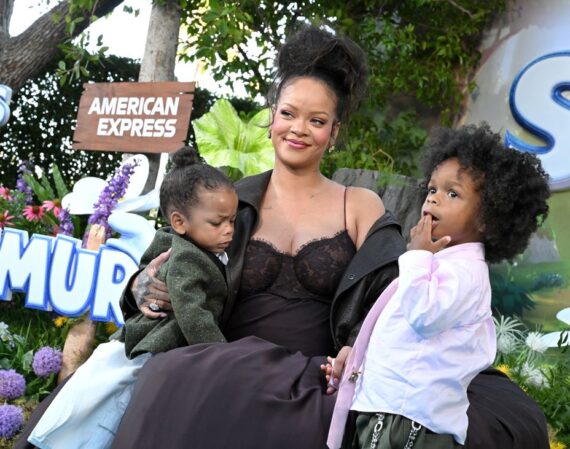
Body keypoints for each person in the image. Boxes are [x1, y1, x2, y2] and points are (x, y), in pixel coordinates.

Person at [15, 25, 549, 449]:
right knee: (176, 379)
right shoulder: (229, 198)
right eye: (289, 114)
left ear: (334, 133)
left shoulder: (358, 204)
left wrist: (359, 350)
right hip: (219, 355)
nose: (299, 128)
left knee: (497, 418)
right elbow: (169, 256)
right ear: (271, 119)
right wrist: (139, 288)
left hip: (320, 370)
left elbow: (392, 296)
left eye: (317, 120)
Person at [326, 123, 551, 449]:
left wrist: (416, 256)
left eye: (452, 193)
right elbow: (396, 329)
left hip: (411, 421)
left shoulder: (465, 274)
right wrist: (356, 359)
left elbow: (423, 315)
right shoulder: (438, 264)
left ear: (487, 218)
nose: (433, 199)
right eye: (432, 189)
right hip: (389, 408)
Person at [26, 146, 238, 449]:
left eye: (233, 221)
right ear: (180, 222)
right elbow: (191, 312)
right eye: (218, 223)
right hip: (161, 343)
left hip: (150, 339)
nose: (229, 230)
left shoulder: (179, 243)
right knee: (119, 408)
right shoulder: (187, 258)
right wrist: (220, 354)